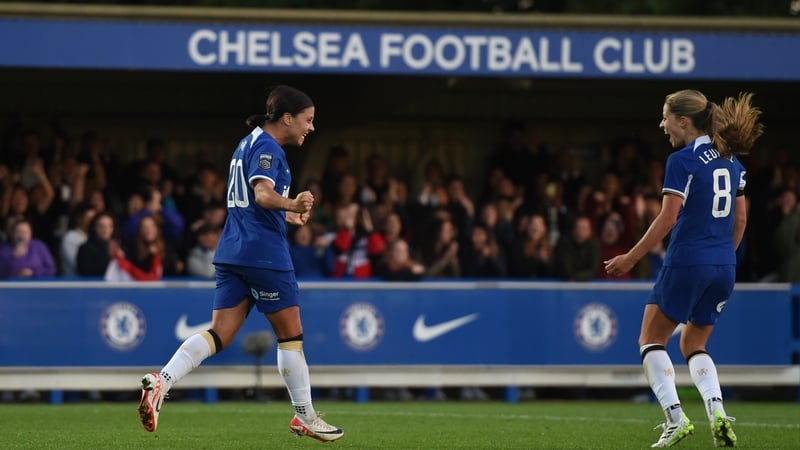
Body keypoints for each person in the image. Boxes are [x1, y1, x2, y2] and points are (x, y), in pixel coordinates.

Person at [136, 85, 343, 442]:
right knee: (291, 337)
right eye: (308, 120)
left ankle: (161, 381)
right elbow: (262, 194)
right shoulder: (267, 147)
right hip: (263, 255)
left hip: (232, 250)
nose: (311, 127)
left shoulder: (246, 143)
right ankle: (305, 417)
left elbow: (253, 200)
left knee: (220, 333)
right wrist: (292, 205)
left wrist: (286, 216)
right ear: (287, 118)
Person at [604, 90, 764, 448]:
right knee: (694, 342)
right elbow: (740, 218)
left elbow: (668, 218)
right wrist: (723, 256)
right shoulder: (731, 160)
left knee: (650, 339)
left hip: (688, 260)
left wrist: (630, 258)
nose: (662, 125)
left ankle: (675, 418)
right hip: (724, 265)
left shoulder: (682, 160)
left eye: (665, 117)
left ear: (684, 121)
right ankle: (717, 411)